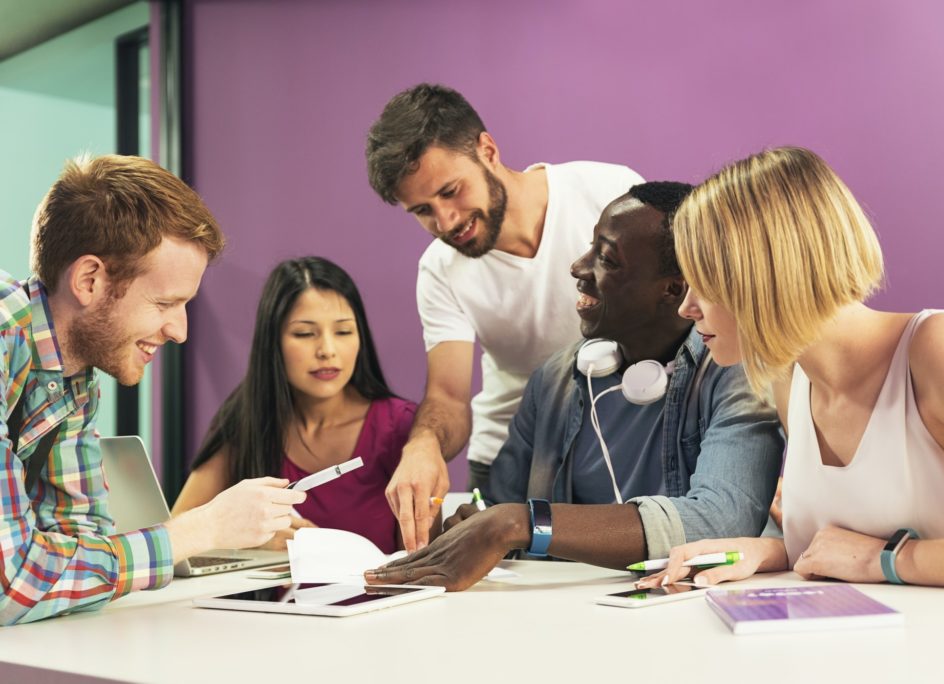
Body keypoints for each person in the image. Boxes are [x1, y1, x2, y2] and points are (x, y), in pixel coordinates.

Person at [638, 146, 944, 594]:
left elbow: (869, 555)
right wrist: (768, 551)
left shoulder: (941, 348)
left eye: (704, 281)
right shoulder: (789, 379)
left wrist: (891, 560)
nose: (687, 308)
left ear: (765, 274)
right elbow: (848, 545)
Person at [363, 182, 784, 591]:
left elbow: (720, 519)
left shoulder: (737, 371)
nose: (579, 268)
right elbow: (502, 508)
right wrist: (476, 523)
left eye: (607, 259)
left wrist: (519, 524)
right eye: (590, 248)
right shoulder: (556, 380)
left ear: (672, 289)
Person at [0, 155, 305, 626]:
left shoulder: (71, 377)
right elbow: (15, 582)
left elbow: (81, 545)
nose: (180, 331)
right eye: (165, 302)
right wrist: (202, 529)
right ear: (89, 280)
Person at [365, 83, 644, 550]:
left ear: (488, 150)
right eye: (423, 211)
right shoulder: (440, 269)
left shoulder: (609, 192)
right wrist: (423, 445)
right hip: (514, 461)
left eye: (450, 192)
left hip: (629, 445)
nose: (446, 221)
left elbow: (689, 312)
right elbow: (449, 396)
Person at [173, 257, 417, 553]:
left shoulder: (400, 427)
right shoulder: (244, 422)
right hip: (269, 602)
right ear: (272, 341)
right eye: (304, 334)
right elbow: (177, 535)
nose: (327, 350)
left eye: (343, 331)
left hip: (383, 600)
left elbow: (421, 562)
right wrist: (248, 543)